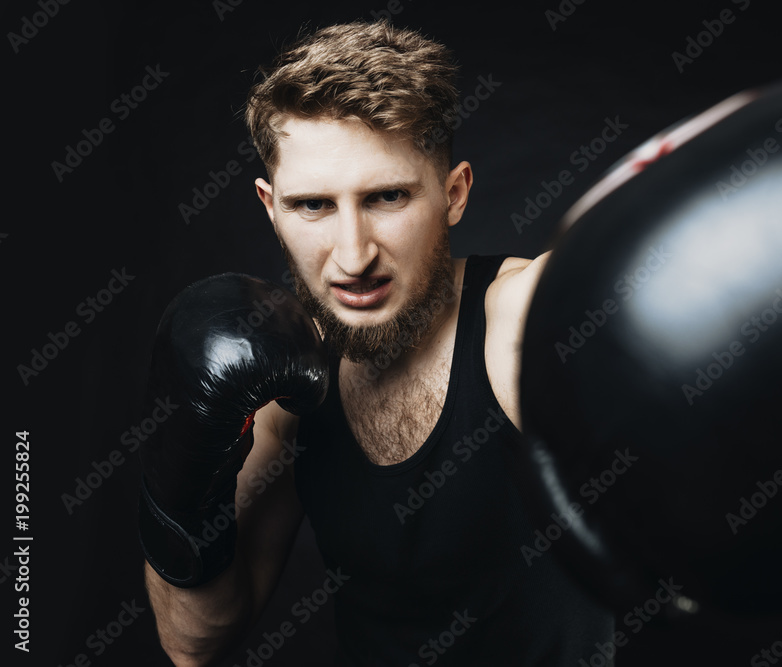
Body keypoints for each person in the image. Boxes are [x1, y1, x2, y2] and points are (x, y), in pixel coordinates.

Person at [141, 19, 614, 666]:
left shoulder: (520, 320)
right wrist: (181, 480)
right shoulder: (286, 385)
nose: (354, 253)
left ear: (454, 193)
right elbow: (191, 642)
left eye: (387, 197)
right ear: (270, 207)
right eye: (313, 205)